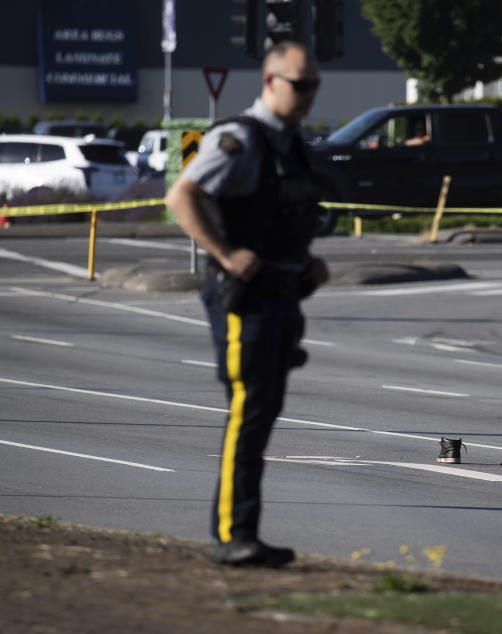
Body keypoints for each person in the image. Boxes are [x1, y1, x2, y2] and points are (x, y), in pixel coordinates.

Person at [164, 42, 329, 568]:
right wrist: (225, 253)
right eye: (299, 84)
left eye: (313, 85)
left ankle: (244, 533)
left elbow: (284, 217)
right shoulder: (238, 138)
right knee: (249, 409)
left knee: (262, 411)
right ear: (270, 81)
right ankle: (233, 533)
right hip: (246, 299)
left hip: (281, 294)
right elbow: (182, 196)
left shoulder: (291, 143)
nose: (307, 95)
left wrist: (307, 263)